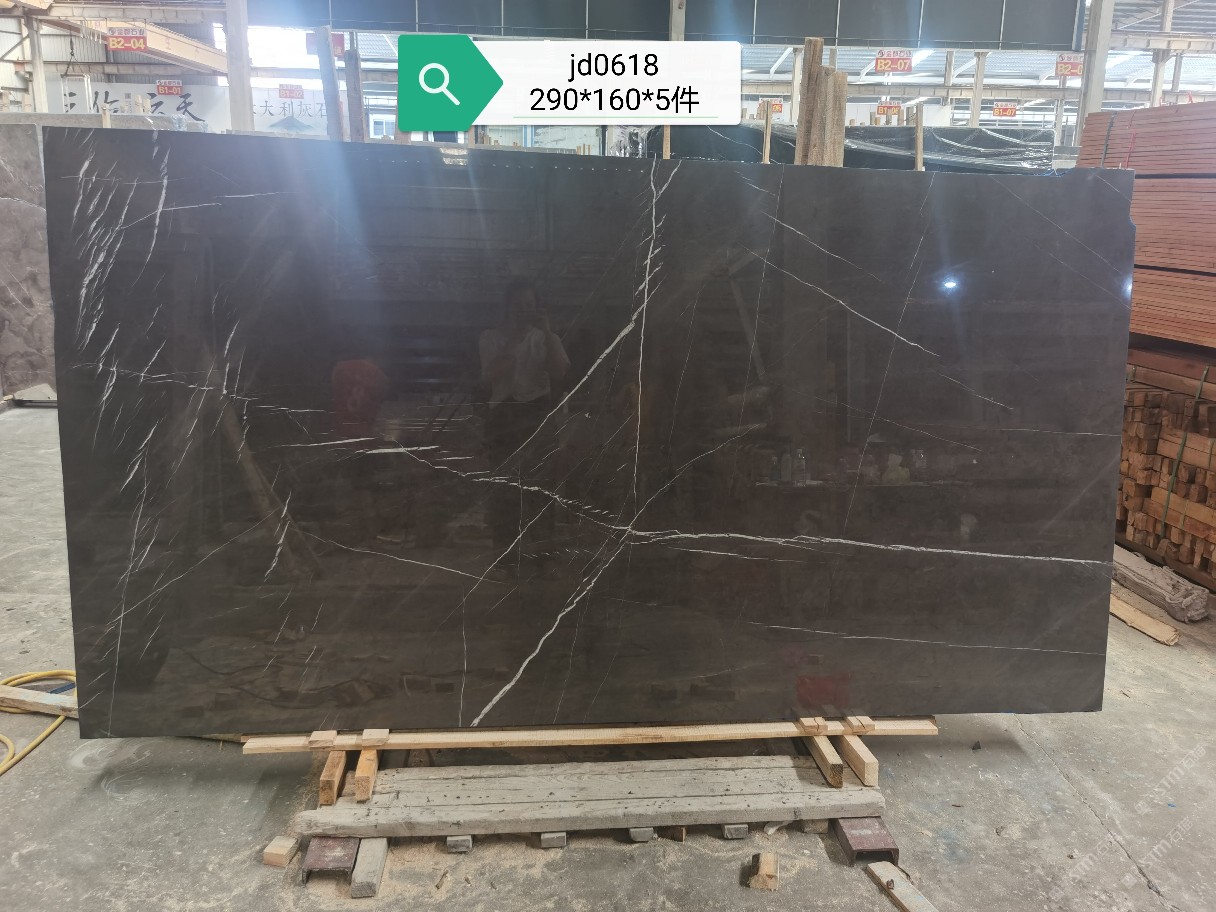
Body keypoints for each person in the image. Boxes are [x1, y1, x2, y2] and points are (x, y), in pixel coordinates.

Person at [479, 279, 570, 571]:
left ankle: (543, 559)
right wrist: (516, 338)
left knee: (541, 487)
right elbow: (491, 375)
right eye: (518, 306)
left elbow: (559, 372)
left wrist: (547, 332)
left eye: (529, 305)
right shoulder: (490, 337)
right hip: (503, 416)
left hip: (537, 415)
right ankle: (506, 559)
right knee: (504, 489)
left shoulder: (546, 338)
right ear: (507, 308)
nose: (523, 311)